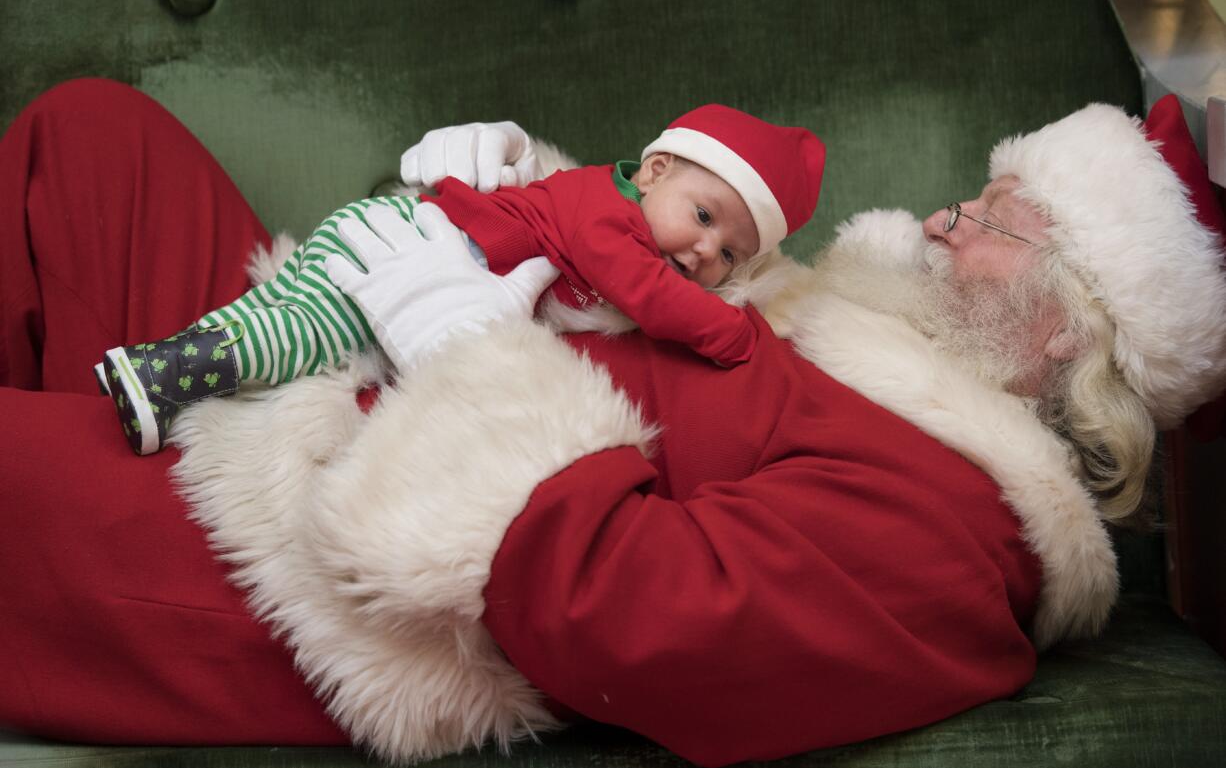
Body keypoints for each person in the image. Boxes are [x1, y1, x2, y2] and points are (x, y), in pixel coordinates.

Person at [2, 79, 1225, 767]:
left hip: (349, 528)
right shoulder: (879, 333)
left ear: (1069, 327)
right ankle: (113, 433)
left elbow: (640, 620)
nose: (948, 219)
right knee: (92, 142)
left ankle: (96, 492)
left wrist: (463, 346)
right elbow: (664, 294)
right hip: (362, 350)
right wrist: (530, 201)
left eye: (995, 222)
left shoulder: (956, 531)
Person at [97, 103, 825, 455]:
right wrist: (733, 332)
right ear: (654, 171)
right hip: (410, 250)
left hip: (430, 274)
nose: (704, 252)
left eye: (730, 253)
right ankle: (161, 373)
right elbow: (654, 298)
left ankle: (160, 375)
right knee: (301, 332)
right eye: (703, 216)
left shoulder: (631, 231)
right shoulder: (603, 211)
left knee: (294, 335)